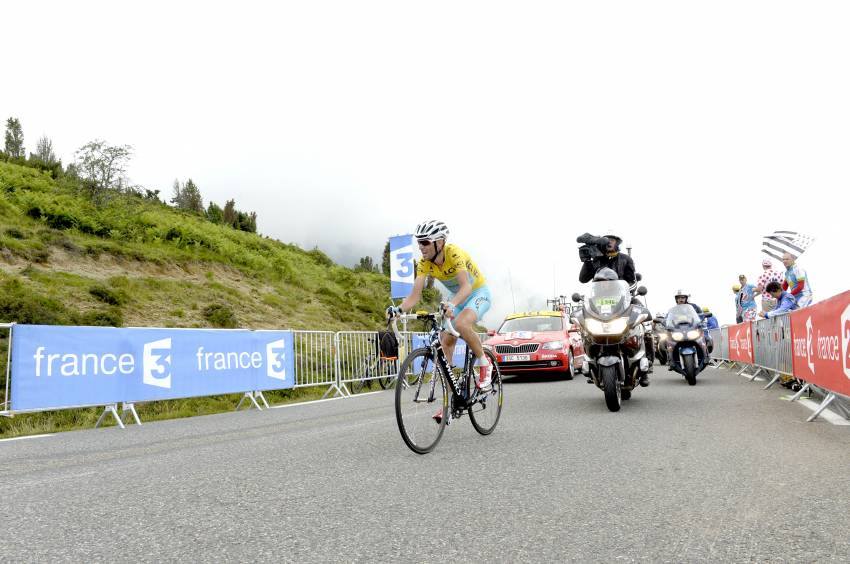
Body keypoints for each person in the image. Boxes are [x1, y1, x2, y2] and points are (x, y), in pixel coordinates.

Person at [387, 220, 493, 400]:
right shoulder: (424, 263)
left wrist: (451, 304)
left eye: (425, 242)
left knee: (461, 323)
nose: (421, 246)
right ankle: (452, 400)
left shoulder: (454, 254)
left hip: (477, 293)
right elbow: (415, 296)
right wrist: (398, 310)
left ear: (440, 242)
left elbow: (466, 287)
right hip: (458, 298)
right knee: (446, 341)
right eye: (419, 242)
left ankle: (485, 363)